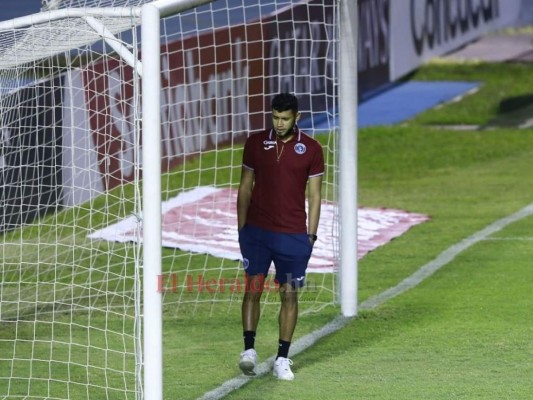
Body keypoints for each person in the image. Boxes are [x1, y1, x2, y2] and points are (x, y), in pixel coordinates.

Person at [236, 93, 324, 380]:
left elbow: (314, 194)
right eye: (275, 117)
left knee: (288, 294)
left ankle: (282, 358)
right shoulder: (255, 143)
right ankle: (248, 350)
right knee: (253, 288)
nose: (279, 123)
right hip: (258, 233)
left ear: (296, 117)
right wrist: (242, 229)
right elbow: (245, 187)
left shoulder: (311, 149)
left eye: (285, 118)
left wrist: (310, 236)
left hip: (293, 235)